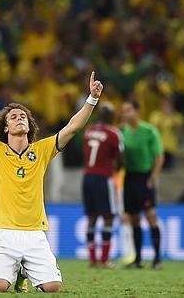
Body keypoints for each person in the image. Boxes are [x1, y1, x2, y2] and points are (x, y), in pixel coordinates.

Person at [0, 65, 103, 293]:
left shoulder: (41, 151)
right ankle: (11, 271)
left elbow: (72, 127)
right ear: (5, 126)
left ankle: (24, 271)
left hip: (35, 233)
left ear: (29, 124)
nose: (19, 118)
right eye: (13, 117)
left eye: (23, 116)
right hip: (4, 231)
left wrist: (91, 99)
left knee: (53, 288)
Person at [120, 100, 164, 270]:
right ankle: (138, 258)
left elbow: (159, 157)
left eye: (128, 109)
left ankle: (157, 258)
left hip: (145, 177)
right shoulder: (122, 132)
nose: (125, 113)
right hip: (129, 177)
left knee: (151, 216)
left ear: (137, 111)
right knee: (134, 218)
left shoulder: (149, 131)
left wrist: (153, 177)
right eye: (123, 110)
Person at [82, 103, 123, 267]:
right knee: (108, 217)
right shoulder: (114, 133)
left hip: (87, 176)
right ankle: (105, 260)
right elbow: (120, 158)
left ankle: (92, 259)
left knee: (91, 217)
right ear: (111, 117)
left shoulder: (88, 131)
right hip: (104, 178)